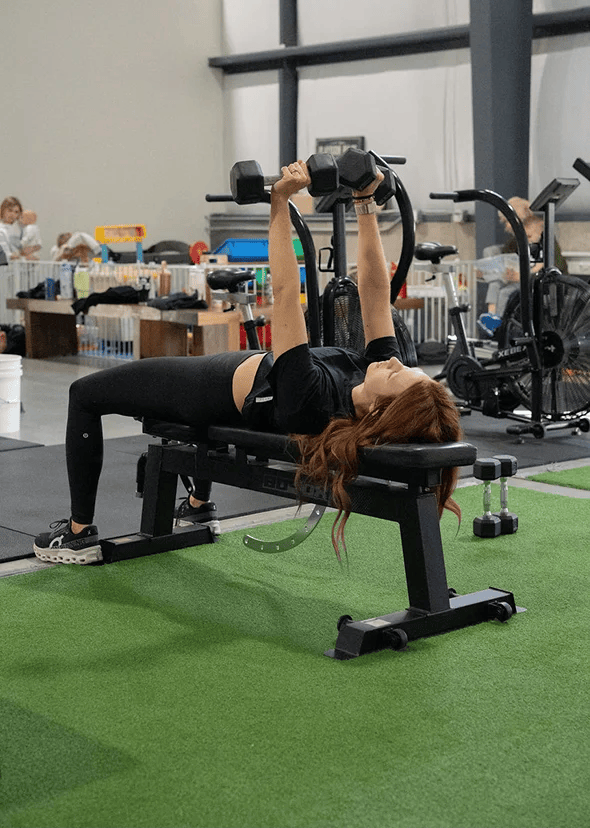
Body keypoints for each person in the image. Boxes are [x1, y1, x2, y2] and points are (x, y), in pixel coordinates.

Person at [33, 160, 462, 566]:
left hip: (206, 389)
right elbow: (373, 288)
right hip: (237, 371)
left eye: (400, 376)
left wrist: (280, 202)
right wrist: (366, 202)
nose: (395, 365)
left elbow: (283, 289)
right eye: (408, 368)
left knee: (84, 393)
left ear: (383, 410)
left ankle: (78, 533)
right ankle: (197, 508)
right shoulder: (373, 373)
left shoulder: (312, 402)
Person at [478, 196, 568, 336]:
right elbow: (506, 260)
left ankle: (499, 322)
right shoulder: (515, 242)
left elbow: (548, 266)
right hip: (517, 280)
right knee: (495, 284)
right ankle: (492, 317)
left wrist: (522, 275)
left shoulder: (545, 241)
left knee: (505, 293)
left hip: (539, 282)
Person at [0, 196, 23, 262]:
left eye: (16, 212)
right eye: (10, 210)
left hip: (17, 268)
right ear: (3, 210)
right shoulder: (1, 230)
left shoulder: (19, 230)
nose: (12, 214)